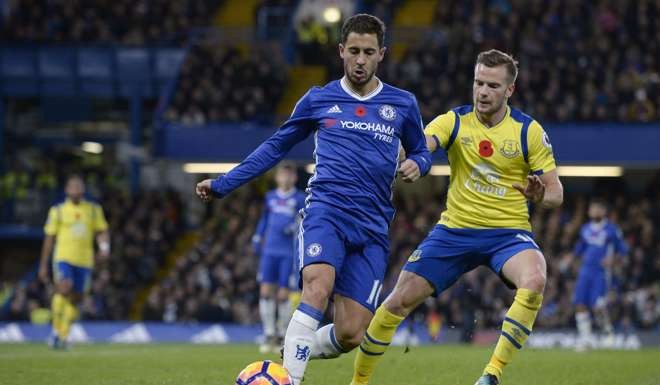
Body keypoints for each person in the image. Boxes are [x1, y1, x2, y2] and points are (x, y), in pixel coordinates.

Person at [195, 13, 431, 385]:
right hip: (326, 213)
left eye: (368, 52)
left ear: (381, 54)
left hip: (371, 228)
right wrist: (225, 183)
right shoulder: (319, 99)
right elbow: (275, 147)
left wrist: (418, 163)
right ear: (341, 51)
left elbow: (422, 151)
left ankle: (292, 351)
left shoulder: (402, 104)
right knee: (316, 287)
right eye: (353, 51)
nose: (359, 60)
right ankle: (291, 377)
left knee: (352, 332)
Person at [349, 49, 564, 385]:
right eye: (478, 82)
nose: (482, 91)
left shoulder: (528, 131)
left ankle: (491, 376)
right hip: (454, 231)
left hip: (507, 233)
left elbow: (556, 192)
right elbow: (424, 143)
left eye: (493, 85)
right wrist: (403, 153)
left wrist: (540, 196)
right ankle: (358, 383)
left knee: (535, 277)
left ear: (510, 90)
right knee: (395, 303)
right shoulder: (455, 121)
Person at [38, 175, 109, 349]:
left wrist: (105, 247)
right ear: (67, 190)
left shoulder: (93, 210)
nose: (76, 190)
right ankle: (55, 332)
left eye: (79, 187)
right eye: (73, 187)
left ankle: (64, 334)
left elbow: (102, 230)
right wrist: (43, 264)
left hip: (85, 260)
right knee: (64, 286)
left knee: (77, 298)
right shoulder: (58, 211)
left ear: (83, 190)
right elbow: (49, 238)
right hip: (64, 257)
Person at [252, 161, 306, 353]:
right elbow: (264, 219)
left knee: (284, 294)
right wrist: (258, 237)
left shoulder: (300, 198)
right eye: (283, 174)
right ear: (277, 177)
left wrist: (294, 226)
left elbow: (303, 221)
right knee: (265, 291)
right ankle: (268, 332)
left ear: (295, 178)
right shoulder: (270, 197)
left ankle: (282, 334)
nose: (286, 178)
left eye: (289, 175)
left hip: (288, 253)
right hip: (270, 251)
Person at [571, 198, 628, 351]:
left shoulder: (612, 229)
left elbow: (623, 250)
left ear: (603, 211)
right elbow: (579, 249)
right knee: (580, 304)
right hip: (585, 271)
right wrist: (572, 260)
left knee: (598, 306)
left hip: (601, 273)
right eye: (592, 208)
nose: (593, 211)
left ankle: (607, 331)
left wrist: (613, 260)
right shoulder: (585, 229)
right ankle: (586, 339)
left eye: (597, 208)